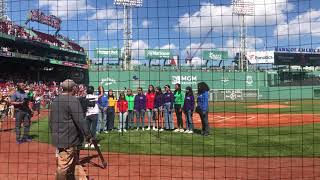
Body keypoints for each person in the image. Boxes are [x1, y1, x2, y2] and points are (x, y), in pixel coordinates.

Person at [49, 79, 92, 179]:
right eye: (76, 87)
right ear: (73, 88)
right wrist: (88, 135)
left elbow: (51, 121)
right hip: (69, 139)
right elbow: (80, 120)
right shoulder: (72, 100)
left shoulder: (55, 100)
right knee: (63, 166)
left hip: (59, 138)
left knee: (74, 162)